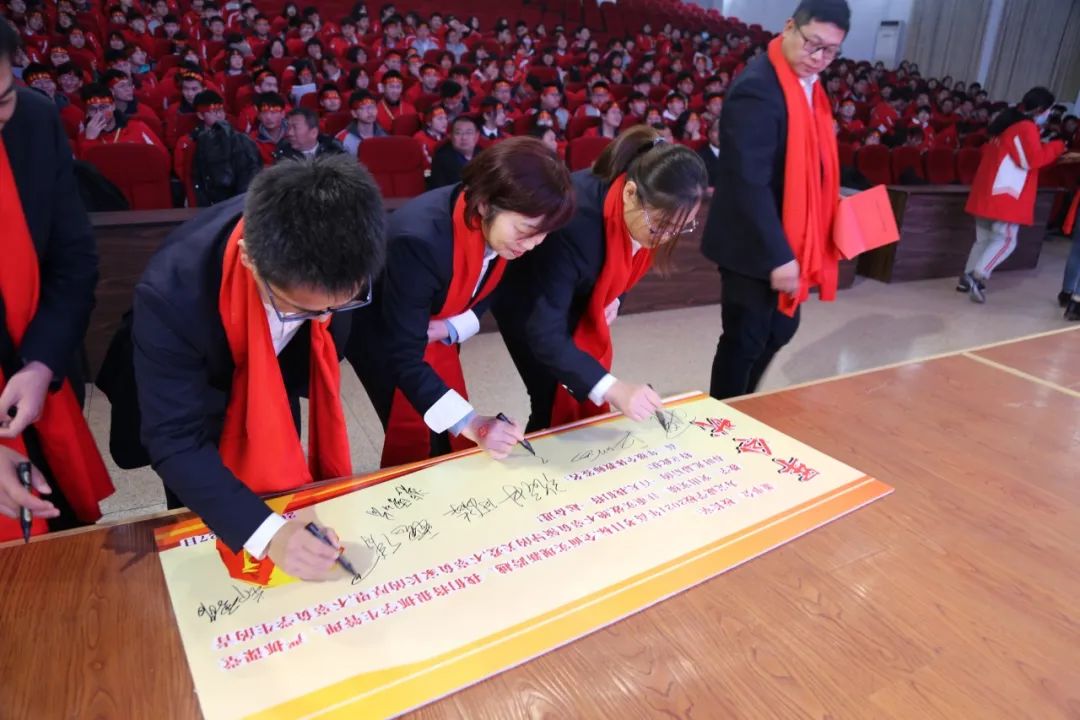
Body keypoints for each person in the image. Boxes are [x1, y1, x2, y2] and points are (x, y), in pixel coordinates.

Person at [97, 156, 386, 580]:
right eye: (302, 309)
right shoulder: (172, 294)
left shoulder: (352, 241)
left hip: (272, 380)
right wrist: (267, 534)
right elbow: (176, 441)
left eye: (339, 305)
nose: (325, 318)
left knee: (282, 474)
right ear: (250, 259)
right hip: (198, 393)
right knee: (204, 526)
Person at [348, 137, 574, 467]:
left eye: (543, 234)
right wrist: (474, 423)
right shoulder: (420, 242)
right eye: (526, 230)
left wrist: (453, 326)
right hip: (380, 332)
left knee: (443, 424)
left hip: (430, 323)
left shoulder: (500, 226)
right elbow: (403, 355)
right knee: (420, 428)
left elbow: (489, 286)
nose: (532, 245)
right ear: (484, 203)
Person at [495, 126, 707, 431]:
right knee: (550, 397)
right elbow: (544, 331)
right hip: (528, 301)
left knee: (574, 387)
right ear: (630, 193)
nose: (666, 237)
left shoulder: (639, 201)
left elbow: (626, 262)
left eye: (681, 227)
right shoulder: (574, 225)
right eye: (661, 226)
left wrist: (615, 297)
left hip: (572, 293)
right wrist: (613, 388)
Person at [0, 22, 114, 539]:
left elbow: (73, 257)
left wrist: (41, 362)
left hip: (35, 373)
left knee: (65, 536)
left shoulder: (32, 120)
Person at [702, 0, 848, 400]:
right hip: (752, 242)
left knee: (780, 329)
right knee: (745, 339)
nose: (818, 58)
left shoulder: (809, 86)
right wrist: (779, 255)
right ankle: (723, 417)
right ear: (789, 27)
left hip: (790, 234)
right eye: (812, 43)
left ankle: (744, 405)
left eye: (830, 51)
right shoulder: (758, 88)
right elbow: (747, 181)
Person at [960, 87, 1068, 304]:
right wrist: (1056, 147)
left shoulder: (1005, 123)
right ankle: (978, 276)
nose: (1049, 114)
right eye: (1049, 110)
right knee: (1006, 240)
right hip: (1005, 194)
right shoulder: (1025, 127)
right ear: (1040, 109)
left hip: (987, 191)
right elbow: (1031, 160)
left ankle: (966, 279)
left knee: (983, 240)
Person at [183, 90, 263, 205]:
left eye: (221, 110)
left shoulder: (237, 139)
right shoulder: (192, 142)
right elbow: (190, 177)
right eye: (213, 112)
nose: (219, 115)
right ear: (200, 115)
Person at [75, 83, 167, 159]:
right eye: (92, 109)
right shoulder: (84, 137)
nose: (98, 113)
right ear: (87, 112)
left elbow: (162, 156)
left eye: (103, 107)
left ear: (113, 106)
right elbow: (87, 171)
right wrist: (90, 140)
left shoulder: (137, 127)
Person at [273, 107, 346, 161]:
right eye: (288, 127)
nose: (289, 133)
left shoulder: (335, 151)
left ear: (314, 132)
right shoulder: (281, 156)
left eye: (295, 127)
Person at [428, 114, 479, 189]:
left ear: (477, 136)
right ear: (451, 136)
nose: (464, 137)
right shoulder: (441, 159)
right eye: (458, 133)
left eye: (469, 133)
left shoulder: (483, 154)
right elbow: (440, 191)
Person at [335, 89, 387, 156]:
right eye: (363, 108)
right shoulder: (341, 139)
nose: (370, 111)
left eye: (372, 107)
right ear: (354, 113)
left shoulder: (384, 136)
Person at [698, 116, 721, 186]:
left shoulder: (737, 155)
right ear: (709, 133)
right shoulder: (700, 158)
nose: (721, 134)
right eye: (717, 129)